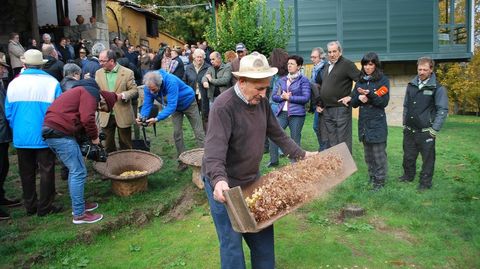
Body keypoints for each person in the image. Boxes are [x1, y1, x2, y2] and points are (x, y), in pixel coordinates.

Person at [202, 52, 316, 269]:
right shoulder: (223, 106)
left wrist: (302, 155)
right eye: (259, 88)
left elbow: (278, 135)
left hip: (251, 181)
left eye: (267, 88)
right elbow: (214, 151)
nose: (264, 94)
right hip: (225, 186)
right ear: (241, 81)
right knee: (231, 245)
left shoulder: (260, 102)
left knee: (263, 240)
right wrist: (218, 181)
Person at [42, 79, 117, 224]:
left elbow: (79, 120)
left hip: (53, 130)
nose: (100, 110)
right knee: (78, 171)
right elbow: (87, 118)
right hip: (59, 132)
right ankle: (79, 215)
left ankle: (79, 205)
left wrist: (89, 138)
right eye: (102, 108)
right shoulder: (91, 93)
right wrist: (95, 138)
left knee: (74, 170)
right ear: (104, 100)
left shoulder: (81, 91)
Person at [5, 49, 62, 216]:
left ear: (24, 64)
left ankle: (30, 205)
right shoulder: (51, 83)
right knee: (46, 170)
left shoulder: (14, 83)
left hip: (21, 135)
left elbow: (8, 112)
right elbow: (59, 110)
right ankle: (45, 206)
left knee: (26, 172)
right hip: (44, 133)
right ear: (41, 65)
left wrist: (17, 127)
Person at [138, 71, 205, 171]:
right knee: (177, 133)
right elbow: (147, 104)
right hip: (175, 107)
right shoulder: (149, 86)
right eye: (150, 90)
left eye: (153, 90)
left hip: (188, 102)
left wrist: (157, 118)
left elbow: (171, 106)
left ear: (159, 84)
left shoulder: (171, 81)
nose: (151, 92)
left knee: (198, 131)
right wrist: (142, 117)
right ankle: (182, 161)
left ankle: (206, 159)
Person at [399, 56, 448, 190]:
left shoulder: (438, 88)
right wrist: (405, 123)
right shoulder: (411, 85)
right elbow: (406, 106)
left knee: (428, 159)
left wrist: (434, 130)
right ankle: (408, 176)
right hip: (409, 130)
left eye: (424, 70)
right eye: (419, 69)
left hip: (426, 132)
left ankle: (425, 183)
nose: (421, 72)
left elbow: (442, 110)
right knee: (408, 155)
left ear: (431, 70)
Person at [350, 52, 390, 190]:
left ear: (376, 65)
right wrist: (359, 99)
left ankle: (380, 182)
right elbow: (353, 101)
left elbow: (383, 102)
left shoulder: (383, 80)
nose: (367, 67)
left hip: (377, 123)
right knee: (368, 156)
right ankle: (372, 177)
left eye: (370, 64)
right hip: (364, 124)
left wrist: (370, 95)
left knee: (378, 155)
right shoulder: (360, 81)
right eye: (365, 64)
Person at [268, 55, 311, 167]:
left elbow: (305, 98)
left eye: (292, 64)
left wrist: (290, 98)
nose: (289, 66)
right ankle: (273, 161)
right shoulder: (282, 80)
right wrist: (283, 97)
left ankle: (295, 164)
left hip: (297, 115)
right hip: (282, 113)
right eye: (288, 64)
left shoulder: (304, 80)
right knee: (273, 135)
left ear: (299, 66)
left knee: (295, 139)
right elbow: (274, 97)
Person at [319, 41, 361, 153]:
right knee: (332, 139)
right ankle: (337, 166)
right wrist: (320, 104)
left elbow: (361, 81)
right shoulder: (327, 65)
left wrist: (351, 96)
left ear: (340, 52)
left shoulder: (347, 64)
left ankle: (346, 168)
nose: (332, 54)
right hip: (327, 109)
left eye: (334, 51)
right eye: (329, 52)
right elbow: (325, 86)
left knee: (343, 140)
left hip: (341, 108)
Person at [95, 49, 138, 153]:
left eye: (102, 61)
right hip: (105, 113)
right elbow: (96, 90)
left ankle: (126, 166)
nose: (100, 63)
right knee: (107, 144)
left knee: (125, 144)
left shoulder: (127, 73)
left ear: (112, 61)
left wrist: (122, 95)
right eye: (99, 61)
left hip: (123, 113)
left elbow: (135, 91)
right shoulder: (98, 73)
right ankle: (111, 166)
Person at [0, 57, 21, 220]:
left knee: (4, 166)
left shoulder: (1, 84)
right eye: (1, 67)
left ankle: (1, 197)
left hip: (3, 133)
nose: (4, 70)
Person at [183, 48, 210, 129]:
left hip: (204, 95)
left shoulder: (208, 67)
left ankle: (206, 133)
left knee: (205, 115)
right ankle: (198, 133)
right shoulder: (189, 67)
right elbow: (184, 81)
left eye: (201, 57)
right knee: (194, 116)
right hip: (192, 95)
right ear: (194, 57)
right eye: (197, 57)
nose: (199, 59)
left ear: (203, 57)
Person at [310, 47, 328, 151]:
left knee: (320, 127)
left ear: (321, 57)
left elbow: (325, 88)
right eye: (311, 57)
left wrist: (321, 105)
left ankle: (324, 149)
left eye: (315, 57)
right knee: (317, 127)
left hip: (324, 104)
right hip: (318, 103)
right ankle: (323, 148)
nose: (312, 59)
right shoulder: (315, 69)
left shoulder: (325, 68)